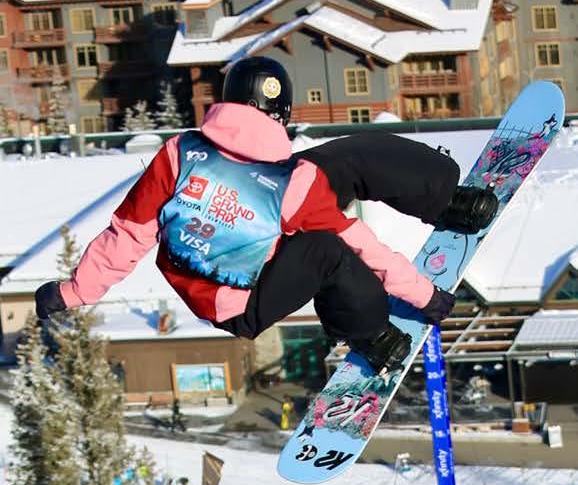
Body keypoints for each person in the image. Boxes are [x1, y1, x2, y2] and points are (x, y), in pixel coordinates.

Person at [33, 55, 497, 377]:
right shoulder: (292, 184)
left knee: (343, 161)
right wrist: (423, 296)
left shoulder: (180, 153)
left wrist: (75, 291)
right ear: (283, 114)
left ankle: (444, 201)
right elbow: (360, 245)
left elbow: (128, 233)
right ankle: (373, 335)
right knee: (327, 250)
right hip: (240, 302)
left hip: (237, 262)